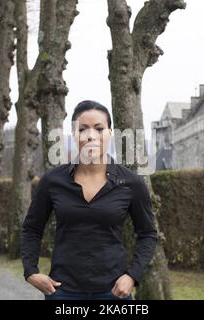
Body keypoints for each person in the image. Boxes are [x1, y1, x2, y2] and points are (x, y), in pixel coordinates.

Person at [21, 100, 158, 300]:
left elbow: (148, 234)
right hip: (63, 291)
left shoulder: (131, 183)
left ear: (110, 132)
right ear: (74, 135)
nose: (91, 136)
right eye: (83, 129)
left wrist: (132, 276)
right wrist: (31, 271)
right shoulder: (52, 181)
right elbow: (31, 229)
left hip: (113, 293)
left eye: (99, 129)